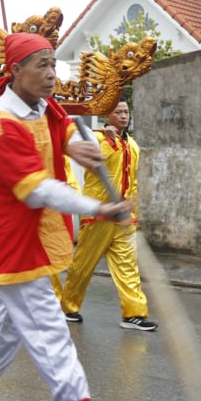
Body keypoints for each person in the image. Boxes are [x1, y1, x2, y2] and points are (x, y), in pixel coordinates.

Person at [0, 33, 131, 401]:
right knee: (51, 334)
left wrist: (71, 145)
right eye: (41, 65)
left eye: (53, 64)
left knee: (5, 328)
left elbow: (57, 125)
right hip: (15, 242)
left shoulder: (41, 106)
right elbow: (39, 191)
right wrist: (99, 207)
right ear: (15, 71)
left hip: (39, 237)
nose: (52, 74)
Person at [59, 100, 156, 331]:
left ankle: (134, 314)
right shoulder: (95, 139)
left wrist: (133, 210)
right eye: (118, 112)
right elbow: (93, 161)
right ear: (107, 116)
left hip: (124, 216)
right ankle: (68, 307)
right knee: (83, 265)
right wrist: (107, 139)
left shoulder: (133, 144)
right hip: (99, 213)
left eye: (126, 112)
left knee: (128, 266)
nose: (123, 116)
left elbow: (131, 180)